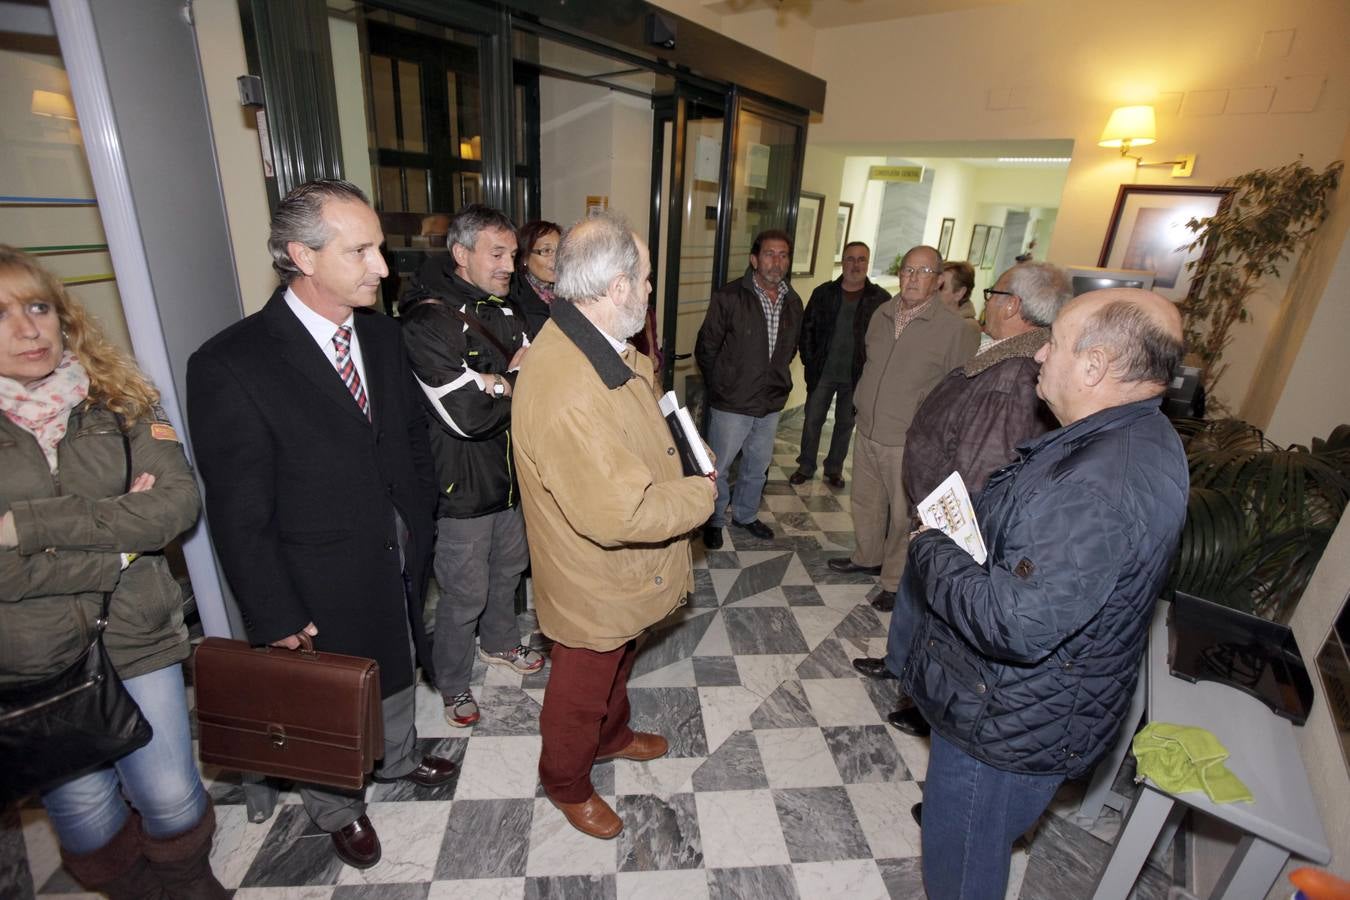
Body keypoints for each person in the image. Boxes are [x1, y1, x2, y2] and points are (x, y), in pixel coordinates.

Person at [187, 179, 455, 871]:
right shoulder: (230, 363)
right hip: (312, 570)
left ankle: (395, 761)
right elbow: (238, 510)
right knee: (325, 694)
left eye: (380, 248)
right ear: (302, 256)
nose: (383, 268)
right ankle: (338, 807)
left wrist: (420, 516)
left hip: (393, 548)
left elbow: (407, 438)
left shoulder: (380, 333)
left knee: (395, 663)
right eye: (360, 250)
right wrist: (273, 610)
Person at [903, 288, 1189, 899]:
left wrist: (933, 546)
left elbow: (1015, 624)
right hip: (1040, 707)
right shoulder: (1143, 436)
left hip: (1004, 720)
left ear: (1094, 367)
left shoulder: (1096, 484)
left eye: (1054, 342)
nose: (1038, 357)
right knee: (981, 839)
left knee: (960, 866)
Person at [0, 246, 225, 898]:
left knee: (172, 795)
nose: (28, 329)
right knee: (84, 810)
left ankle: (187, 884)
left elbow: (174, 506)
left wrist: (30, 528)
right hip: (30, 659)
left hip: (134, 631)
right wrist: (119, 539)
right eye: (4, 315)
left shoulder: (119, 401)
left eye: (38, 307)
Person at [513, 214, 715, 839]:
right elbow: (619, 514)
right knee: (580, 687)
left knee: (619, 661)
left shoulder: (598, 345)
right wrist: (700, 496)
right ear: (618, 286)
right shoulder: (569, 384)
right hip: (591, 576)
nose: (651, 291)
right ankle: (566, 782)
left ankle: (613, 736)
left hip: (621, 571)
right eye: (647, 280)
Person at [852, 261, 1072, 739]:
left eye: (995, 292)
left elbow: (983, 464)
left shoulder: (1015, 374)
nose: (988, 300)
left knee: (943, 613)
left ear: (1012, 305)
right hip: (935, 509)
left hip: (954, 518)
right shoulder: (1007, 353)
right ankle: (899, 665)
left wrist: (945, 523)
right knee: (919, 593)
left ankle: (923, 699)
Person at [399, 204, 543, 729]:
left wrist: (496, 382)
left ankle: (501, 643)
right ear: (461, 255)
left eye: (513, 254)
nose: (510, 265)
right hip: (459, 489)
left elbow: (537, 380)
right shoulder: (428, 320)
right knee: (463, 595)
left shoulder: (507, 309)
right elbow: (466, 416)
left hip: (510, 481)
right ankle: (453, 682)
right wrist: (512, 381)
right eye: (497, 254)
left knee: (508, 574)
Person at [826, 245, 979, 610]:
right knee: (866, 502)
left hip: (908, 439)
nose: (912, 279)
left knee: (901, 515)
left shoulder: (954, 330)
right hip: (867, 428)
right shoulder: (881, 313)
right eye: (908, 270)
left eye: (923, 272)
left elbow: (957, 392)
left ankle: (894, 581)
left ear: (939, 280)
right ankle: (867, 557)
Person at [694, 229, 803, 549]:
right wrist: (722, 386)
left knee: (757, 465)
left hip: (770, 402)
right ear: (754, 259)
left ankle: (745, 514)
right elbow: (706, 348)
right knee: (719, 466)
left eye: (783, 255)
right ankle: (713, 519)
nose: (777, 262)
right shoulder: (729, 297)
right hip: (732, 401)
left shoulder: (793, 301)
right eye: (770, 254)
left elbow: (789, 349)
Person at [789, 241, 890, 489]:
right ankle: (806, 465)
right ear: (842, 261)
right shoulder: (823, 293)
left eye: (861, 259)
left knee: (845, 424)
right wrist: (810, 362)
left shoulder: (880, 299)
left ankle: (834, 468)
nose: (855, 265)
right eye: (850, 258)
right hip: (822, 372)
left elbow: (887, 339)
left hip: (858, 377)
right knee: (812, 420)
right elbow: (807, 330)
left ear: (868, 262)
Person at [511, 219, 561, 339]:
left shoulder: (567, 291)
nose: (557, 259)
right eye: (546, 251)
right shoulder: (514, 301)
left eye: (559, 251)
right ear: (525, 258)